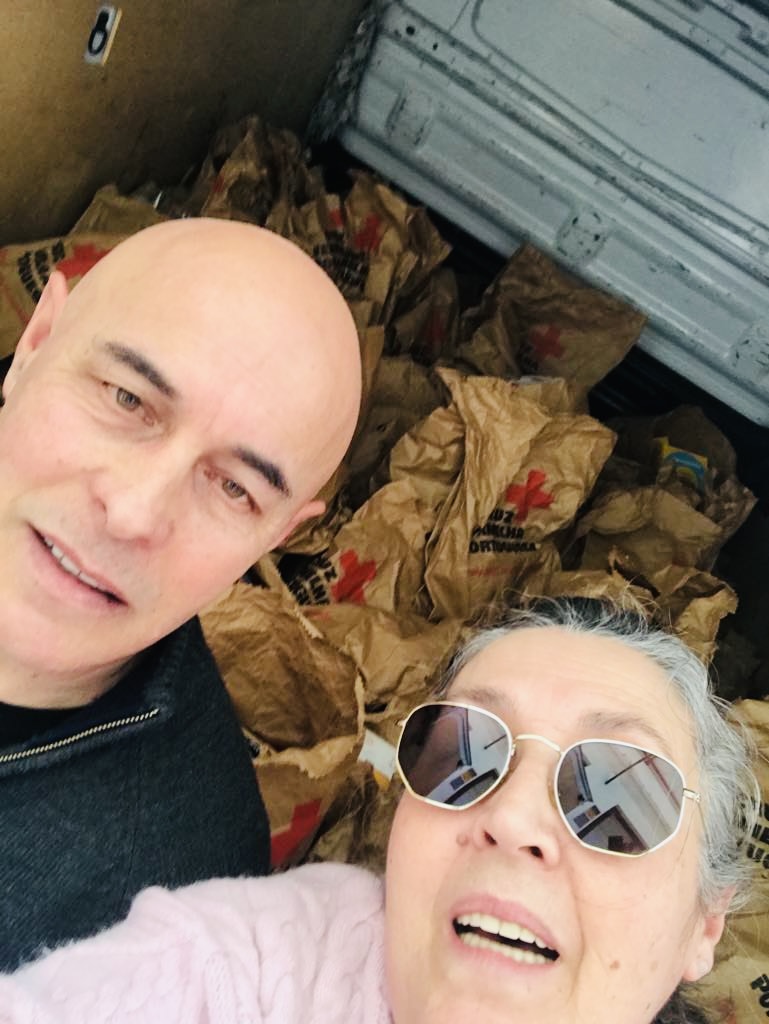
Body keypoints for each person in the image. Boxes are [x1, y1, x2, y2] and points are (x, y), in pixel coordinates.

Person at [0, 597, 756, 1024]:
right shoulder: (269, 959)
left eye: (619, 794)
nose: (513, 819)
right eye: (463, 753)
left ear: (705, 925)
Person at [0, 217, 362, 969]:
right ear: (34, 343)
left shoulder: (171, 907)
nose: (133, 513)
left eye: (233, 488)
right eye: (127, 399)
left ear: (276, 537)